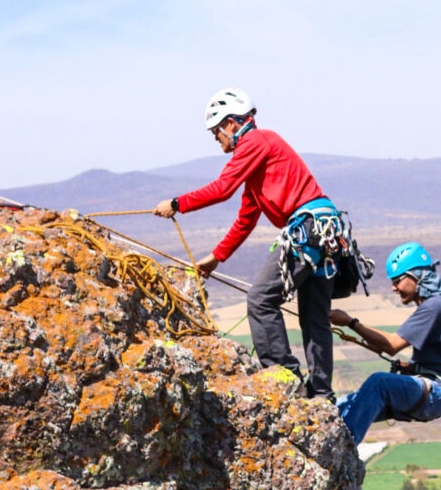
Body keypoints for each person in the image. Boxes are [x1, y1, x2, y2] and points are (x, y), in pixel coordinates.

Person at [154, 87, 365, 400]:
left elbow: (223, 188)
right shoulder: (260, 157)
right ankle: (321, 394)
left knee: (260, 299)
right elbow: (246, 218)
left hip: (306, 227)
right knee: (314, 316)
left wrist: (177, 202)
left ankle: (284, 377)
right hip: (325, 232)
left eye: (216, 132)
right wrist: (216, 257)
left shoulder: (253, 141)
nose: (217, 140)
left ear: (231, 124)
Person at [330, 242, 441, 444]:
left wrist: (351, 323)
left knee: (378, 383)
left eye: (397, 281)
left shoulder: (434, 306)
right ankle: (329, 436)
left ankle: (342, 447)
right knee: (343, 406)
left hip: (434, 392)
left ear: (416, 276)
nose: (394, 288)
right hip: (437, 392)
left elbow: (391, 345)